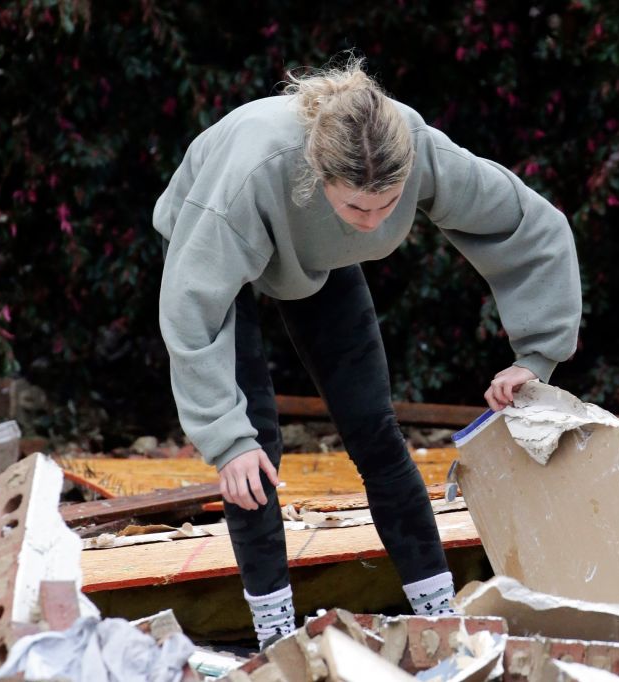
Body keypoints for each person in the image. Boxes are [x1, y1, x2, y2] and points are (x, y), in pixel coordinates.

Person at [153, 56, 581, 647]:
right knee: (254, 453)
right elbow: (190, 310)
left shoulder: (419, 149)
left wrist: (535, 356)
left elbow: (532, 225)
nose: (373, 223)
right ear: (319, 173)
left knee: (375, 430)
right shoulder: (253, 173)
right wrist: (225, 440)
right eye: (357, 207)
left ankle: (438, 616)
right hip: (216, 251)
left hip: (317, 259)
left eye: (389, 207)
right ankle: (276, 635)